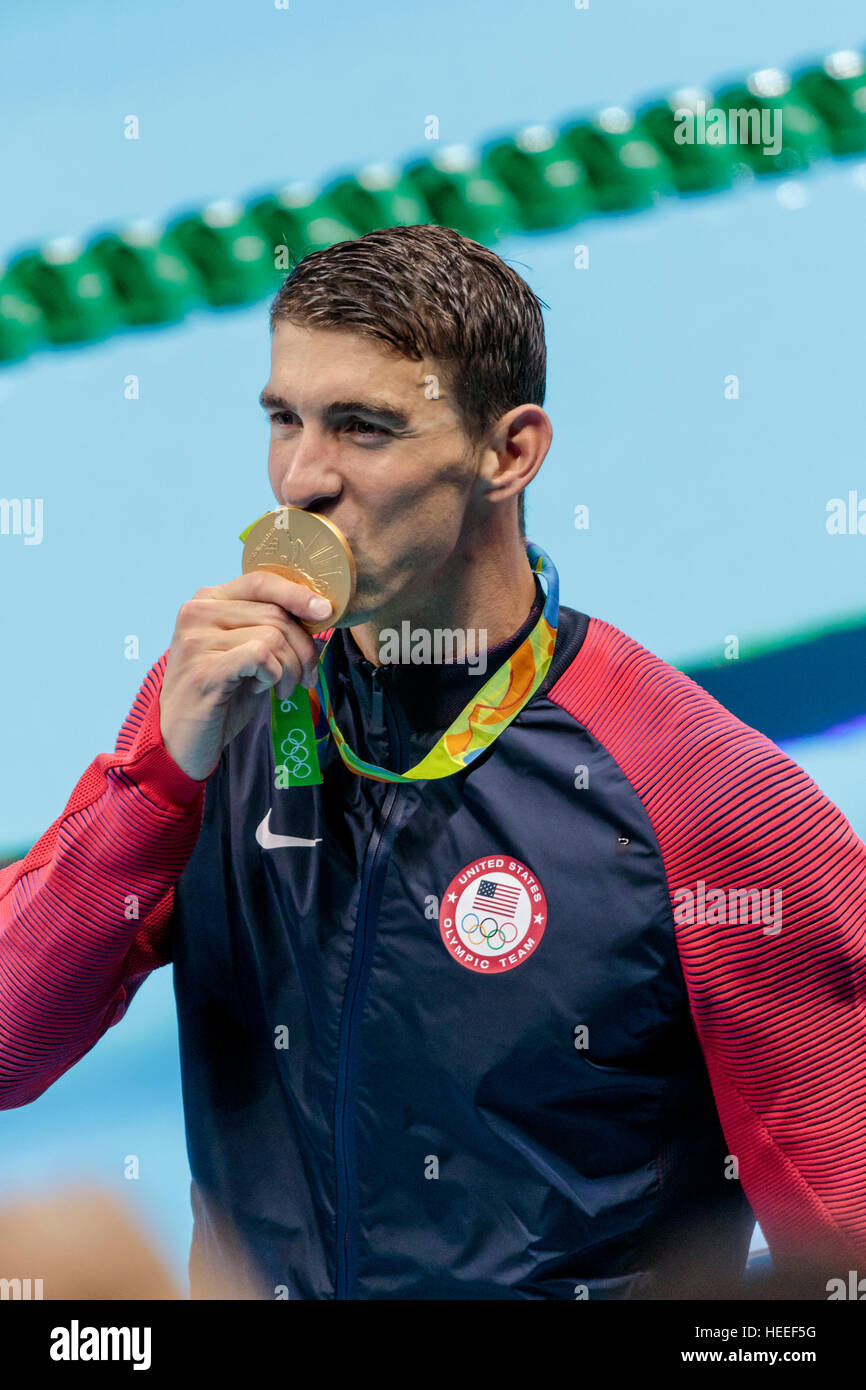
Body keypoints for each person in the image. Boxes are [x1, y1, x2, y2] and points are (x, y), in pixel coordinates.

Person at [1, 223, 864, 1300]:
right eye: (284, 420)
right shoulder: (219, 716)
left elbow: (844, 1239)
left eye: (362, 428)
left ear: (508, 453)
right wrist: (161, 781)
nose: (300, 480)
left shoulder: (700, 797)